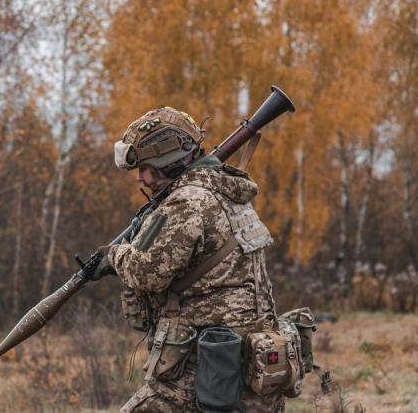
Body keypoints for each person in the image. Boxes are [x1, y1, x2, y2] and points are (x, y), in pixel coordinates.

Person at [90, 107, 283, 412]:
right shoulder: (227, 191)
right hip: (251, 363)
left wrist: (115, 255)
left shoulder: (188, 201)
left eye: (146, 167)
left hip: (201, 367)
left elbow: (147, 274)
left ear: (167, 161)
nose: (141, 177)